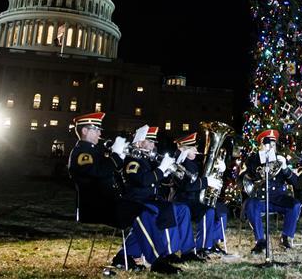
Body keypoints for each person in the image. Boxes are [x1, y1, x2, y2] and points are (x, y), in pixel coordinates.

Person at [66, 112, 143, 270]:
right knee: (145, 211)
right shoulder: (82, 153)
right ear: (85, 131)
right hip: (95, 208)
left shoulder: (96, 151)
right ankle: (128, 256)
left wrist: (121, 154)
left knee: (145, 208)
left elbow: (112, 171)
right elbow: (98, 172)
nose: (100, 133)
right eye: (96, 129)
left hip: (107, 203)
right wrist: (115, 155)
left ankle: (130, 254)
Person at [120, 124, 197, 273]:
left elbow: (154, 179)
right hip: (137, 201)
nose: (153, 145)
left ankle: (187, 251)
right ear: (139, 142)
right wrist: (161, 170)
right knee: (166, 209)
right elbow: (142, 180)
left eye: (153, 141)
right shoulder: (132, 160)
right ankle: (166, 253)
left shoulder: (146, 159)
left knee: (182, 209)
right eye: (149, 141)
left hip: (150, 200)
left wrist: (166, 172)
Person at [241, 129, 302, 252]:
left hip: (278, 198)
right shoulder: (252, 159)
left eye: (273, 145)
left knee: (295, 205)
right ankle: (260, 241)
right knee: (252, 204)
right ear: (261, 145)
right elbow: (244, 178)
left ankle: (285, 237)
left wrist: (285, 168)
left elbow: (296, 183)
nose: (270, 147)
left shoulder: (281, 159)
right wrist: (260, 163)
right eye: (267, 144)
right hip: (260, 198)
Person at [169, 132, 229, 255]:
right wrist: (207, 181)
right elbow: (186, 186)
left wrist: (221, 168)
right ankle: (203, 247)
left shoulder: (194, 161)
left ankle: (211, 243)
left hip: (195, 200)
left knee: (222, 211)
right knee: (208, 211)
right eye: (192, 148)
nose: (196, 150)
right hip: (182, 200)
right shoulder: (176, 163)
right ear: (182, 149)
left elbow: (205, 173)